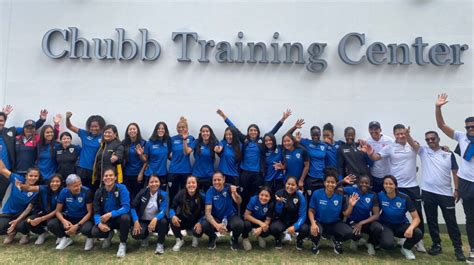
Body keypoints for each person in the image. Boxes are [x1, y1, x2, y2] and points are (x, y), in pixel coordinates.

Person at [362, 124, 426, 252]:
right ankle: (383, 237)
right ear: (394, 134)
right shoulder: (390, 147)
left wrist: (409, 136)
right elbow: (376, 157)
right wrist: (370, 153)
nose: (401, 136)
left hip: (412, 185)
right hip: (395, 187)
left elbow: (418, 148)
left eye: (403, 133)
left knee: (417, 213)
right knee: (389, 209)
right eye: (398, 134)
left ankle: (419, 240)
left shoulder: (412, 145)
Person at [405, 128, 465, 261]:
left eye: (433, 138)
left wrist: (457, 190)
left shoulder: (448, 154)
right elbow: (412, 144)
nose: (430, 141)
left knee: (451, 223)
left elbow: (455, 172)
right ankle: (436, 245)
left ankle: (458, 248)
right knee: (432, 221)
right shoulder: (423, 151)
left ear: (438, 139)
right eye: (427, 139)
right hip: (428, 193)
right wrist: (408, 134)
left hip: (446, 194)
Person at [216, 109, 291, 213]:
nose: (253, 132)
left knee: (256, 196)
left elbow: (273, 132)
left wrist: (282, 119)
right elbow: (234, 129)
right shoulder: (245, 140)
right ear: (248, 132)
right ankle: (243, 215)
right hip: (244, 173)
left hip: (257, 174)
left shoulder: (262, 141)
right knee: (244, 195)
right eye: (251, 130)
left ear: (258, 132)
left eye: (255, 130)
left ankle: (254, 215)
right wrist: (224, 116)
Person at [435, 92, 474, 263]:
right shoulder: (462, 137)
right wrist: (438, 107)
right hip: (466, 182)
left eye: (473, 127)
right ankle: (473, 250)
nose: (471, 130)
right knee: (470, 218)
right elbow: (441, 125)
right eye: (468, 127)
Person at [0, 107, 47, 205]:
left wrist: (42, 120)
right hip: (14, 171)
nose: (0, 123)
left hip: (7, 170)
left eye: (2, 121)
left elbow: (30, 128)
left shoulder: (9, 132)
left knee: (3, 193)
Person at [308, 168, 355, 255]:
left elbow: (346, 214)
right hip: (320, 222)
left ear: (335, 183)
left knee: (348, 232)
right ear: (324, 183)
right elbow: (311, 211)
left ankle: (336, 240)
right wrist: (313, 224)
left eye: (333, 182)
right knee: (314, 231)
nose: (330, 184)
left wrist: (351, 206)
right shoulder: (317, 193)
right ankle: (315, 243)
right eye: (328, 182)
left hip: (334, 224)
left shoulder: (340, 195)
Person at [378, 175, 422, 260]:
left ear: (395, 185)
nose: (388, 186)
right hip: (387, 225)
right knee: (387, 245)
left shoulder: (404, 198)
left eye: (391, 184)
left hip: (401, 225)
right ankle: (390, 239)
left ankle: (406, 248)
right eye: (385, 184)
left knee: (417, 232)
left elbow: (416, 218)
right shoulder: (380, 195)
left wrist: (411, 228)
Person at [91, 167, 131, 258]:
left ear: (115, 177)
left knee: (126, 218)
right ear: (102, 178)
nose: (108, 177)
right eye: (106, 176)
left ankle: (122, 244)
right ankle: (109, 234)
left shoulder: (122, 188)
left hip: (119, 218)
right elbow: (96, 211)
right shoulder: (99, 191)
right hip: (106, 220)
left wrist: (111, 214)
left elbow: (126, 207)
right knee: (95, 231)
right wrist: (99, 223)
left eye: (111, 175)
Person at [48, 174, 94, 251]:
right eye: (75, 186)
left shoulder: (86, 191)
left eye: (80, 184)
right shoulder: (64, 192)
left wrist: (77, 225)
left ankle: (90, 238)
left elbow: (89, 212)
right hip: (69, 217)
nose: (79, 187)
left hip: (83, 218)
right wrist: (64, 221)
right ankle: (65, 238)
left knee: (86, 229)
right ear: (68, 186)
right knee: (51, 224)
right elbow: (58, 211)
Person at [16, 174, 63, 245]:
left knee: (52, 224)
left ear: (61, 182)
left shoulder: (63, 191)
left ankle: (60, 235)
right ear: (49, 182)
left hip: (58, 215)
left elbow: (57, 211)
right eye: (52, 181)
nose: (55, 184)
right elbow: (29, 188)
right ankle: (42, 233)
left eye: (57, 181)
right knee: (29, 221)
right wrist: (20, 186)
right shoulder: (44, 188)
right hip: (45, 213)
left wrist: (41, 219)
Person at [0, 159, 39, 244]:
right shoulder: (17, 179)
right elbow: (2, 169)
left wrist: (17, 221)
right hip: (8, 212)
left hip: (22, 214)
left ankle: (25, 234)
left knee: (21, 226)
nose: (33, 178)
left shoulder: (36, 191)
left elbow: (29, 209)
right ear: (26, 176)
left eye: (36, 176)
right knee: (1, 228)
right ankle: (11, 233)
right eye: (31, 175)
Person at [202, 171, 243, 251]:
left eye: (219, 180)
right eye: (215, 180)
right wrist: (217, 225)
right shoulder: (210, 192)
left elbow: (239, 201)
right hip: (216, 218)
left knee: (239, 225)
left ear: (224, 179)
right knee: (204, 224)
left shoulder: (229, 188)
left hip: (229, 217)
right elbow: (207, 213)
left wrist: (235, 193)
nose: (217, 182)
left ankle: (234, 239)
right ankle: (212, 237)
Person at [342, 175, 382, 256]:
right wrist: (342, 181)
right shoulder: (352, 190)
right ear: (358, 183)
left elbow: (376, 215)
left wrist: (361, 223)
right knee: (355, 234)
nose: (364, 184)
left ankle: (370, 243)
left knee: (377, 227)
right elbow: (335, 188)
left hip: (365, 222)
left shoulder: (373, 195)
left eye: (366, 183)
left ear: (370, 185)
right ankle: (356, 240)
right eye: (362, 182)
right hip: (352, 221)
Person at [130, 174, 169, 254]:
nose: (154, 184)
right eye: (151, 182)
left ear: (159, 183)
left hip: (156, 222)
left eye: (156, 181)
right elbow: (133, 207)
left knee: (164, 222)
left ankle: (160, 244)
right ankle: (144, 237)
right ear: (148, 183)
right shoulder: (142, 192)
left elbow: (163, 210)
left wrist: (155, 218)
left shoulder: (164, 194)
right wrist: (136, 221)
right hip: (143, 221)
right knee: (136, 234)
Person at [66, 112, 105, 189]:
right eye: (92, 127)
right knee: (80, 189)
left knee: (93, 190)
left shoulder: (104, 137)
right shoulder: (84, 134)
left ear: (100, 126)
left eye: (96, 126)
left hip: (95, 170)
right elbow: (69, 126)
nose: (94, 128)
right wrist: (67, 118)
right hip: (82, 168)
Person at [270, 176, 309, 250]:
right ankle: (278, 239)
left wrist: (295, 226)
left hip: (294, 221)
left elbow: (303, 215)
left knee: (305, 228)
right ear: (285, 184)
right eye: (288, 184)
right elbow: (277, 213)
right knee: (274, 227)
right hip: (282, 220)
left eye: (293, 185)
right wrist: (279, 203)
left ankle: (299, 240)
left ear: (297, 186)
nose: (290, 186)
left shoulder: (300, 197)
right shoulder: (279, 193)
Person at [290, 119, 328, 195]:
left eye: (317, 135)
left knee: (321, 200)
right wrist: (295, 127)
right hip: (311, 178)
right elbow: (287, 136)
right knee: (310, 200)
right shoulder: (307, 142)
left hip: (322, 178)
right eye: (313, 135)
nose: (315, 137)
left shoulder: (324, 145)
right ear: (310, 135)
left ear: (320, 134)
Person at [169, 175, 204, 251]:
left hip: (196, 221)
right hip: (183, 219)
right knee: (173, 220)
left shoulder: (201, 195)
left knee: (204, 223)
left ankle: (195, 236)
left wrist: (200, 222)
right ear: (186, 185)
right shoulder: (181, 194)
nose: (191, 185)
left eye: (193, 183)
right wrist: (173, 216)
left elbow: (205, 212)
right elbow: (172, 207)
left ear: (197, 184)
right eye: (189, 183)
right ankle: (179, 240)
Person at [168, 117, 195, 202]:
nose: (181, 129)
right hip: (173, 171)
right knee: (173, 195)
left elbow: (186, 152)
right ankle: (172, 214)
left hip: (186, 171)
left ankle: (184, 214)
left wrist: (184, 139)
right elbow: (168, 154)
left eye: (183, 127)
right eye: (179, 127)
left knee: (186, 195)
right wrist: (171, 156)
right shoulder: (172, 139)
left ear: (186, 128)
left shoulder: (191, 138)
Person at [92, 124, 124, 189]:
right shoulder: (102, 144)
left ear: (115, 134)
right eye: (105, 132)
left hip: (111, 178)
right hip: (100, 178)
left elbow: (119, 156)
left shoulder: (119, 145)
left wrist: (116, 158)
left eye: (109, 132)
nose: (106, 134)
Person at [365, 121, 394, 193]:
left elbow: (396, 154)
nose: (373, 131)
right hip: (374, 175)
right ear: (369, 130)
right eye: (371, 129)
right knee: (376, 197)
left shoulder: (389, 140)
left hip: (388, 175)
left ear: (380, 130)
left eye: (376, 129)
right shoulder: (368, 141)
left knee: (388, 196)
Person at [242, 186, 274, 251]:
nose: (263, 198)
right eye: (261, 195)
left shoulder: (271, 204)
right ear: (258, 195)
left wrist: (261, 228)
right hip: (251, 220)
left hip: (261, 222)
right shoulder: (253, 199)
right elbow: (246, 215)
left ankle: (260, 236)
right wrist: (260, 223)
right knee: (246, 225)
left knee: (267, 229)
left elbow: (268, 220)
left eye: (266, 196)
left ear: (270, 197)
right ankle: (245, 238)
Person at [189, 125, 219, 192]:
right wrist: (185, 140)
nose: (205, 133)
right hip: (196, 175)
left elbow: (219, 149)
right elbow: (188, 151)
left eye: (207, 131)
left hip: (209, 175)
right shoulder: (196, 142)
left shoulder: (214, 142)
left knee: (208, 196)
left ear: (210, 132)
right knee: (196, 196)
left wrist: (218, 148)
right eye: (203, 131)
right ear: (201, 133)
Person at [142, 122, 171, 191]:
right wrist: (140, 154)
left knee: (161, 196)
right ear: (156, 130)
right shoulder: (149, 143)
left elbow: (169, 157)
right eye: (159, 128)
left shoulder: (167, 142)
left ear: (165, 130)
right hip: (150, 174)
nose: (161, 130)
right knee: (148, 196)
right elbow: (145, 159)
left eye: (163, 128)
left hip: (162, 174)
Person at [122, 123, 146, 199]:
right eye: (130, 129)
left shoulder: (143, 143)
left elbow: (146, 161)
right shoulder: (124, 143)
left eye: (134, 129)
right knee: (126, 196)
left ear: (137, 131)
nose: (132, 131)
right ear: (127, 132)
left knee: (137, 197)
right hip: (126, 174)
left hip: (138, 174)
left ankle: (135, 211)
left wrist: (140, 154)